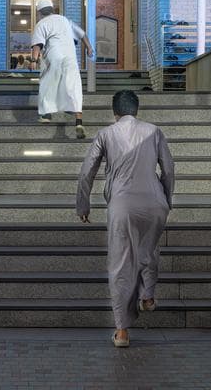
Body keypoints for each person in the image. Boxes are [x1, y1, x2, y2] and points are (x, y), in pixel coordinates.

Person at [75, 90, 175, 348]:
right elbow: (169, 169)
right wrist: (166, 199)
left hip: (122, 204)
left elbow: (87, 172)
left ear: (114, 112)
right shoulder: (154, 132)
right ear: (137, 110)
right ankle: (148, 295)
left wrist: (83, 204)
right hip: (155, 203)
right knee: (148, 249)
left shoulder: (106, 134)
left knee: (121, 264)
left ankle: (122, 331)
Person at [29, 0, 93, 138]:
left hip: (53, 56)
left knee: (47, 83)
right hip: (70, 57)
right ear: (52, 10)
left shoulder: (41, 24)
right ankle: (78, 121)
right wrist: (89, 48)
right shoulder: (65, 20)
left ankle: (46, 115)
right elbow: (82, 34)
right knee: (74, 86)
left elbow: (37, 45)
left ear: (39, 12)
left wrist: (33, 60)